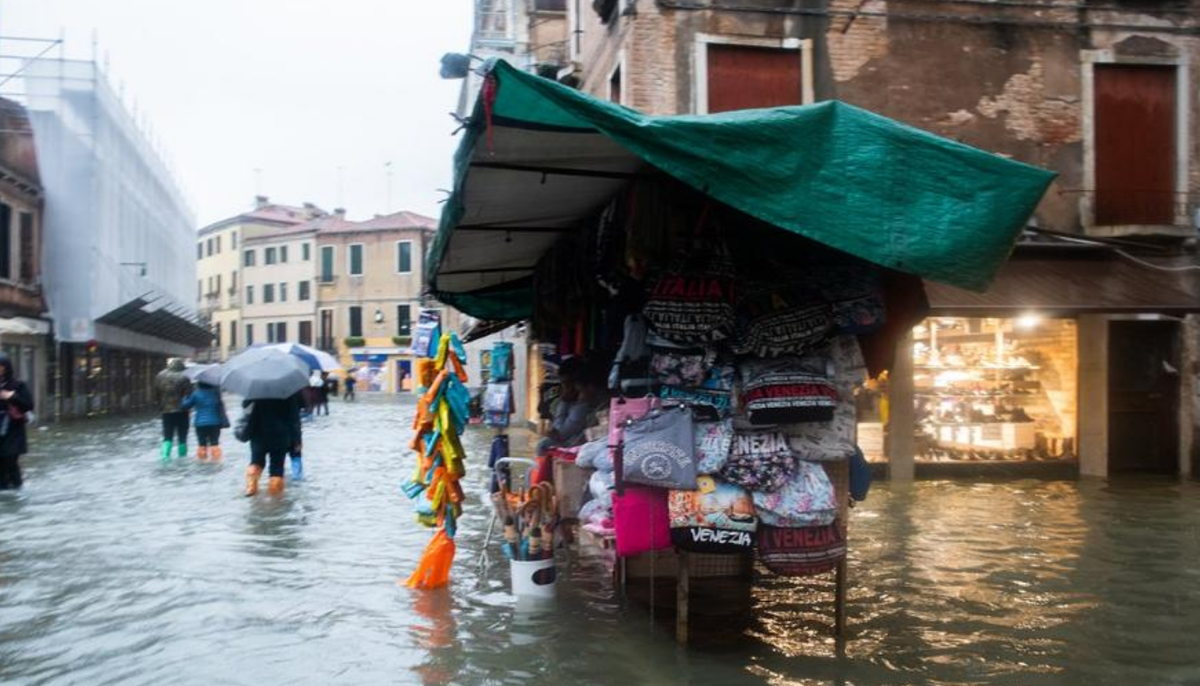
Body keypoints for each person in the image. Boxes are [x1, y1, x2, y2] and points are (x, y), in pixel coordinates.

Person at [537, 356, 605, 455]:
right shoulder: (561, 402)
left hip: (582, 448)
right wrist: (565, 402)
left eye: (568, 384)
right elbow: (558, 430)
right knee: (543, 444)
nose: (566, 389)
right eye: (563, 384)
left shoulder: (599, 405)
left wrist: (579, 403)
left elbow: (565, 434)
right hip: (571, 444)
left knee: (544, 445)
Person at [242, 393, 302, 497]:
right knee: (277, 469)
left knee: (256, 462)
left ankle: (251, 486)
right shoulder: (287, 393)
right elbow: (294, 419)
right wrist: (297, 440)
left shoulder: (255, 390)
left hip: (258, 435)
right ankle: (275, 497)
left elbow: (245, 405)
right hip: (280, 437)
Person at [0, 355, 34, 490]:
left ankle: (17, 489)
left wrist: (11, 396)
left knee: (10, 460)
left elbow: (29, 405)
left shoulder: (18, 385)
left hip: (13, 431)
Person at [155, 358, 192, 462]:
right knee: (182, 437)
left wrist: (160, 406)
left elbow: (157, 394)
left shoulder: (160, 376)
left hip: (166, 411)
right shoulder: (184, 377)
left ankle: (165, 457)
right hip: (182, 412)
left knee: (167, 436)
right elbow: (189, 395)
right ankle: (182, 458)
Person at [181, 382, 226, 461]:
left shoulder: (196, 394)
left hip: (200, 424)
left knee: (202, 445)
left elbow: (185, 406)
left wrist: (184, 398)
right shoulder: (215, 393)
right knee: (215, 444)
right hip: (214, 423)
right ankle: (216, 462)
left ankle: (202, 462)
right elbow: (220, 406)